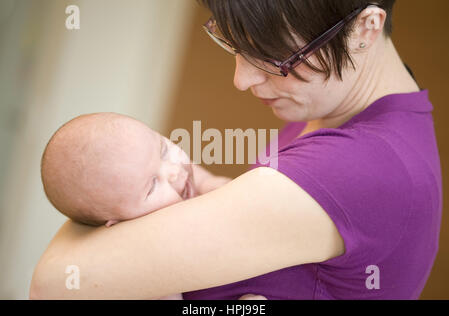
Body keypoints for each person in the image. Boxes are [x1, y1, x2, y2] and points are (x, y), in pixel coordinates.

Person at [30, 0, 442, 300]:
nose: (241, 80)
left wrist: (107, 198)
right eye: (233, 45)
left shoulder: (360, 169)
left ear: (365, 29)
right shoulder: (326, 113)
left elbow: (54, 283)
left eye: (271, 57)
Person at [39, 112, 267, 300]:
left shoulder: (184, 176)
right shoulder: (143, 259)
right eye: (152, 186)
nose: (174, 170)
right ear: (119, 224)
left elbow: (206, 181)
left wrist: (218, 186)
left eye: (164, 150)